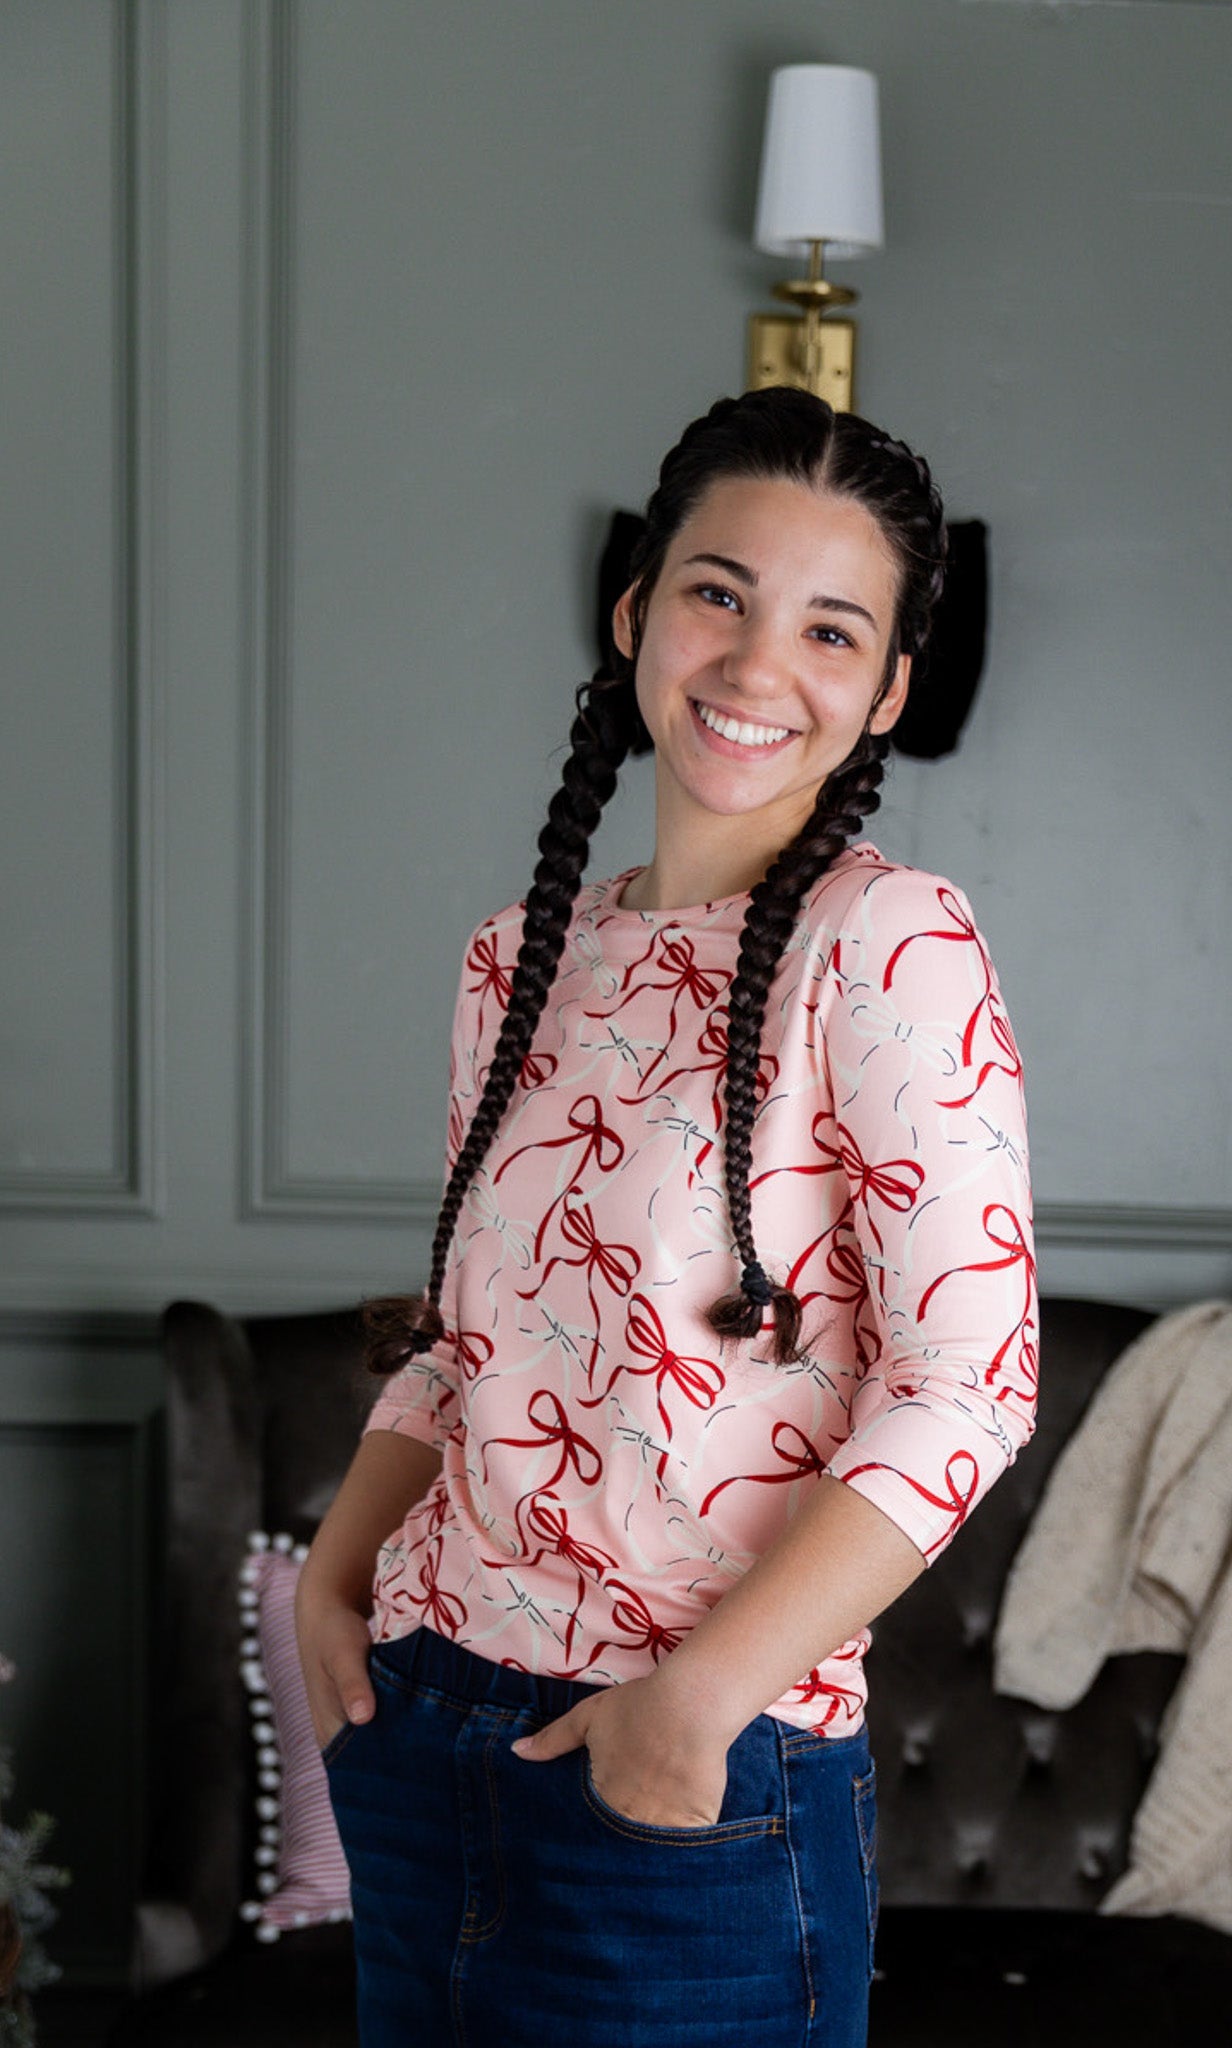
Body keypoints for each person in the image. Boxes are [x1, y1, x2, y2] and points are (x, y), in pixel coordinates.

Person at [294, 386, 1037, 2048]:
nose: (758, 664)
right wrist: (329, 1585)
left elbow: (967, 1389)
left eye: (831, 629)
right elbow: (462, 1347)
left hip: (689, 1780)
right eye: (718, 591)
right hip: (424, 1728)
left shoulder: (891, 940)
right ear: (634, 608)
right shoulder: (516, 954)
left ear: (888, 693)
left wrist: (695, 1703)